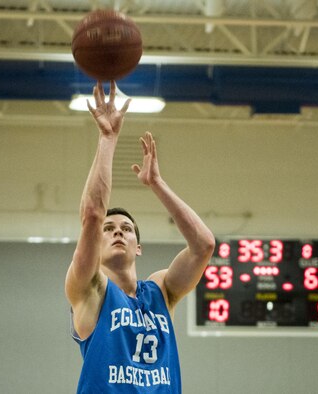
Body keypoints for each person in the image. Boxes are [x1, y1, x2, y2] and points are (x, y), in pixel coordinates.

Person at [65, 81, 215, 393]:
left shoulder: (161, 290)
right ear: (97, 243)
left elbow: (203, 245)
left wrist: (157, 183)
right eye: (109, 229)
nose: (117, 230)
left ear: (139, 247)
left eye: (126, 228)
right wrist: (108, 139)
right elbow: (93, 213)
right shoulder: (89, 290)